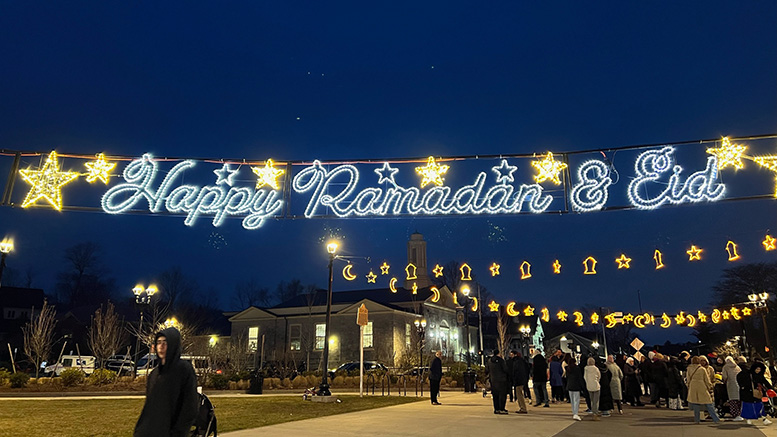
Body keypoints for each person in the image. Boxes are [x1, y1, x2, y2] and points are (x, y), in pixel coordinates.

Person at [134, 327, 198, 437]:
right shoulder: (154, 374)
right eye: (159, 342)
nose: (161, 346)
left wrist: (178, 433)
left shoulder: (183, 370)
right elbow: (150, 407)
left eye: (165, 342)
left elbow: (189, 407)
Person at [686, 356, 720, 424]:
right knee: (708, 403)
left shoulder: (689, 369)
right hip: (702, 386)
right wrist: (710, 386)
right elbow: (706, 380)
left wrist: (689, 386)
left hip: (693, 386)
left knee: (696, 404)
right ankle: (715, 419)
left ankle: (697, 420)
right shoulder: (702, 369)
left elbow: (688, 379)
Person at [486, 349, 509, 414]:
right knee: (502, 395)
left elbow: (486, 370)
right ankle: (502, 408)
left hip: (493, 380)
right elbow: (505, 369)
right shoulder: (501, 361)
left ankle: (496, 409)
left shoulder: (489, 361)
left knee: (495, 395)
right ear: (499, 353)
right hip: (502, 380)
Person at [721, 356, 742, 421]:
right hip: (738, 384)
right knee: (739, 400)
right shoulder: (737, 367)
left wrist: (724, 381)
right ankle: (740, 414)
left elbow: (724, 377)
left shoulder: (725, 367)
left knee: (733, 401)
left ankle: (735, 414)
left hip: (730, 385)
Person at [566, 356, 584, 421]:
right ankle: (576, 413)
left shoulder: (568, 368)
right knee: (576, 400)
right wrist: (582, 386)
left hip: (570, 385)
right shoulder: (577, 368)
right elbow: (579, 378)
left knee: (572, 400)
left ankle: (574, 412)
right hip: (576, 386)